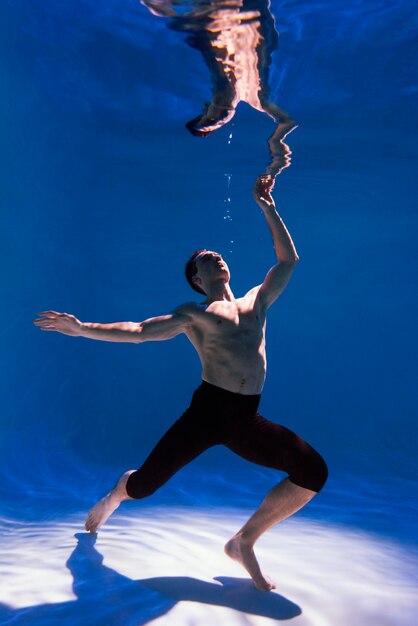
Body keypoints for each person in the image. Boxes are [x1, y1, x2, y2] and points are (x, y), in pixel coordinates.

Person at [34, 177, 328, 592]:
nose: (217, 259)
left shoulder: (255, 301)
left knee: (313, 472)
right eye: (207, 259)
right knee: (144, 487)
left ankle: (243, 541)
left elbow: (288, 261)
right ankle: (118, 491)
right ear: (197, 277)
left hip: (246, 418)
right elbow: (137, 330)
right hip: (207, 414)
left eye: (219, 256)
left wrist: (267, 206)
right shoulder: (194, 315)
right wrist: (82, 329)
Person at [141, 0, 297, 185]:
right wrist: (272, 167)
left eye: (209, 116)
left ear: (207, 105)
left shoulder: (238, 88)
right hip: (246, 11)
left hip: (220, 18)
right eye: (214, 120)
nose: (216, 116)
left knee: (162, 11)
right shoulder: (256, 97)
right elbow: (287, 123)